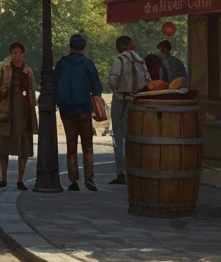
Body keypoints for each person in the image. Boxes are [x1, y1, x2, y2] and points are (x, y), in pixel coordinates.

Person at [53, 34, 103, 192]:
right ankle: (89, 178)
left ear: (70, 46)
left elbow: (55, 83)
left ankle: (73, 180)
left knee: (71, 147)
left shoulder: (62, 63)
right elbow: (96, 86)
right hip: (84, 109)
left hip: (67, 110)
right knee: (88, 147)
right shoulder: (87, 63)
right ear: (84, 47)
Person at [0, 43, 38, 190]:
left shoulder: (28, 71)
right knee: (3, 146)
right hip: (7, 112)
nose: (17, 56)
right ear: (10, 55)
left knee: (22, 147)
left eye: (19, 53)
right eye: (14, 53)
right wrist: (3, 89)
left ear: (23, 54)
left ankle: (20, 180)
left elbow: (32, 91)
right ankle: (3, 178)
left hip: (23, 113)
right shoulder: (4, 69)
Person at [107, 35, 151, 186]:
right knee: (135, 138)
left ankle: (121, 174)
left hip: (121, 102)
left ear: (119, 47)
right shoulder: (140, 60)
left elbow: (113, 80)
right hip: (138, 102)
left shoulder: (119, 59)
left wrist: (117, 93)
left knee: (119, 139)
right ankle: (136, 171)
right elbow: (148, 82)